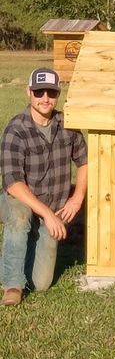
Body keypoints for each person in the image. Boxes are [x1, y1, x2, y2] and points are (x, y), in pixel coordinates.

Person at [0, 67, 87, 306]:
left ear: (58, 94)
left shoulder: (67, 125)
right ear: (28, 92)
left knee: (40, 284)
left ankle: (15, 253)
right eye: (39, 92)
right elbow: (13, 182)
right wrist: (48, 214)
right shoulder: (16, 129)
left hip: (52, 209)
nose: (45, 98)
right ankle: (12, 286)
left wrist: (77, 198)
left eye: (51, 92)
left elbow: (84, 161)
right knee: (20, 215)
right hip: (20, 200)